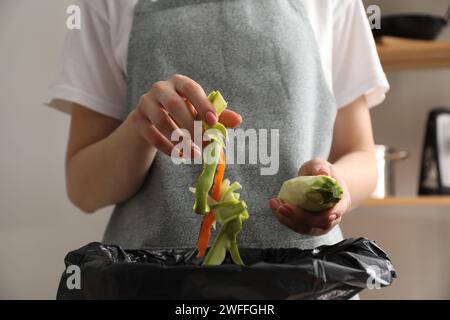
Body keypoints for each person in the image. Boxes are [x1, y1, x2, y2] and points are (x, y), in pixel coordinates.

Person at [48, 0, 389, 250]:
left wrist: (337, 189)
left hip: (305, 282)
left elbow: (360, 155)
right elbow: (84, 189)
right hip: (152, 284)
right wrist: (141, 128)